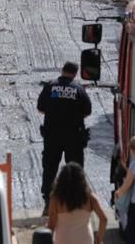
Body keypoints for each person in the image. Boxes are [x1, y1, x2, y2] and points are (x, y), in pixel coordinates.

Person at [38, 62, 93, 215]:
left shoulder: (50, 87)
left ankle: (49, 204)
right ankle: (75, 204)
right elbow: (87, 111)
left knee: (49, 168)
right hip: (74, 137)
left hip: (52, 136)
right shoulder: (79, 90)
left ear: (62, 71)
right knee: (75, 170)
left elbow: (40, 108)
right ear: (75, 73)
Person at [47, 163, 108, 244]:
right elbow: (104, 219)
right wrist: (99, 239)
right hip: (85, 239)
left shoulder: (56, 199)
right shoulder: (90, 197)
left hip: (63, 239)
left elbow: (51, 225)